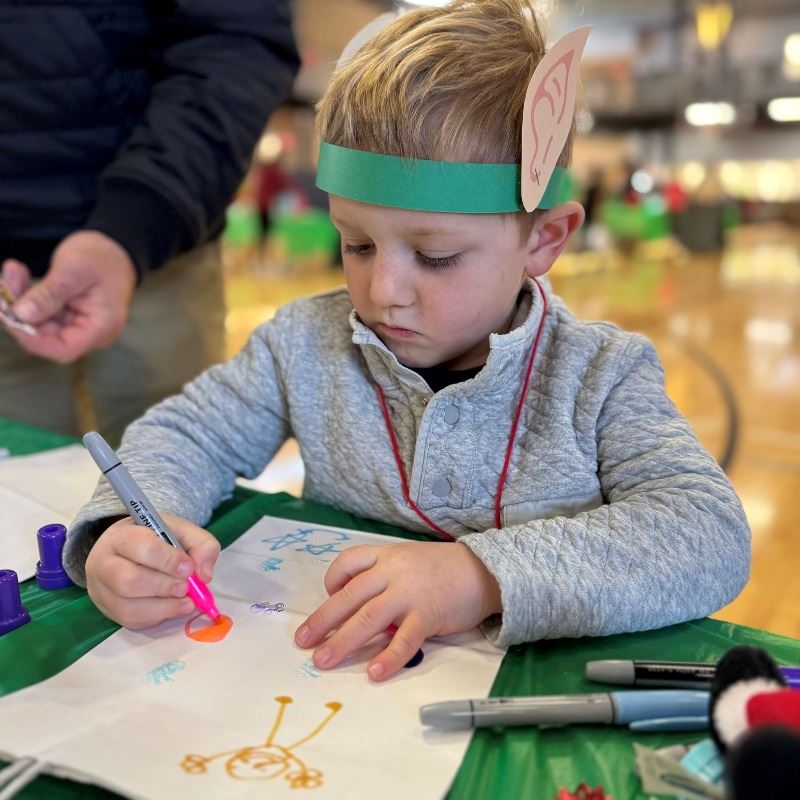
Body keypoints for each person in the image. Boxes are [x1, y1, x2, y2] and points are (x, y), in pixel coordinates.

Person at [64, 0, 750, 683]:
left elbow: (707, 534)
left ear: (542, 239)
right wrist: (125, 531)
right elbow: (189, 433)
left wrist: (479, 577)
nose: (384, 288)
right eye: (356, 243)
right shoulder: (303, 342)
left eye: (437, 256)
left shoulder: (601, 375)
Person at [0, 1, 299, 442]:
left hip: (156, 251)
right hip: (19, 285)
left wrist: (133, 225)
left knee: (169, 475)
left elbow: (233, 42)